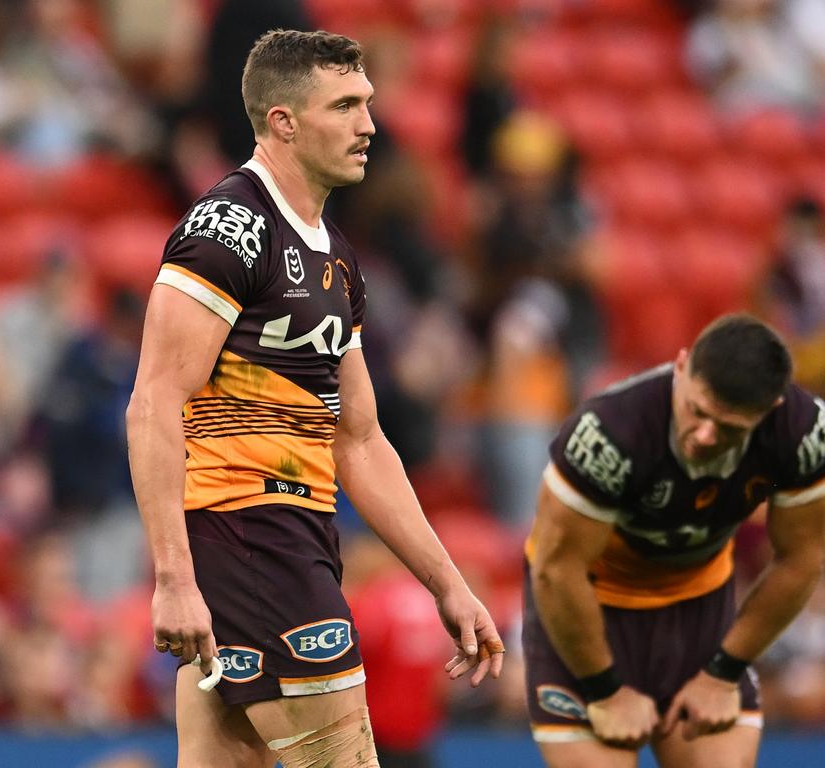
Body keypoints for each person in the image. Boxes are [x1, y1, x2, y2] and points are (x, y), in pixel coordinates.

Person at [125, 29, 505, 767]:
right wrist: (172, 579)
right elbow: (152, 403)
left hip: (294, 536)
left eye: (367, 103)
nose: (369, 125)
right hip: (250, 538)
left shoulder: (335, 256)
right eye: (345, 106)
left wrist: (447, 583)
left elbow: (359, 440)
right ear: (284, 122)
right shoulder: (228, 230)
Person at [523, 313, 825, 767]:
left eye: (730, 429)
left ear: (772, 409)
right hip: (585, 615)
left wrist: (723, 673)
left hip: (698, 612)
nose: (705, 435)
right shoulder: (608, 433)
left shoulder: (805, 434)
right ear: (681, 366)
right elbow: (556, 569)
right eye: (697, 411)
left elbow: (801, 559)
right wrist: (605, 688)